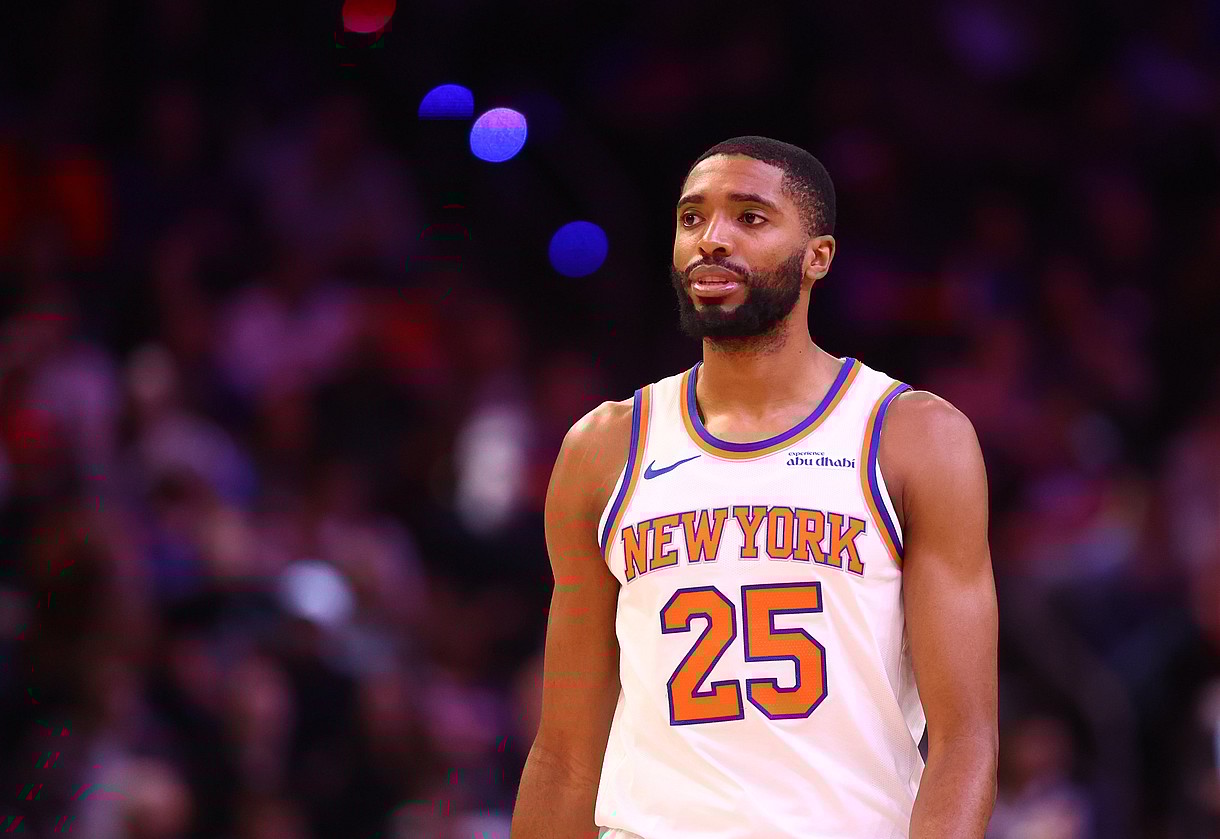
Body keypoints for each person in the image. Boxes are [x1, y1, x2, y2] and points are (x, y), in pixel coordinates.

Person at [510, 136, 998, 839]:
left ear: (818, 257)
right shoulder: (603, 447)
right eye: (691, 218)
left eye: (750, 217)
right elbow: (563, 753)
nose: (712, 238)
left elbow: (965, 742)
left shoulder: (913, 436)